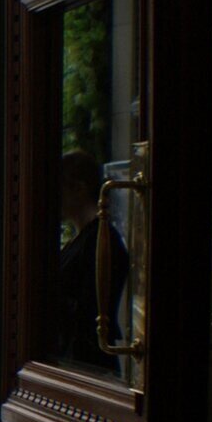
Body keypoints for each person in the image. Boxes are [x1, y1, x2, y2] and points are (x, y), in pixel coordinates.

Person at [57, 150, 129, 374]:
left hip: (86, 363)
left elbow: (87, 311)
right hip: (78, 359)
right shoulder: (87, 239)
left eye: (60, 190)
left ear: (79, 189)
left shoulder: (100, 240)